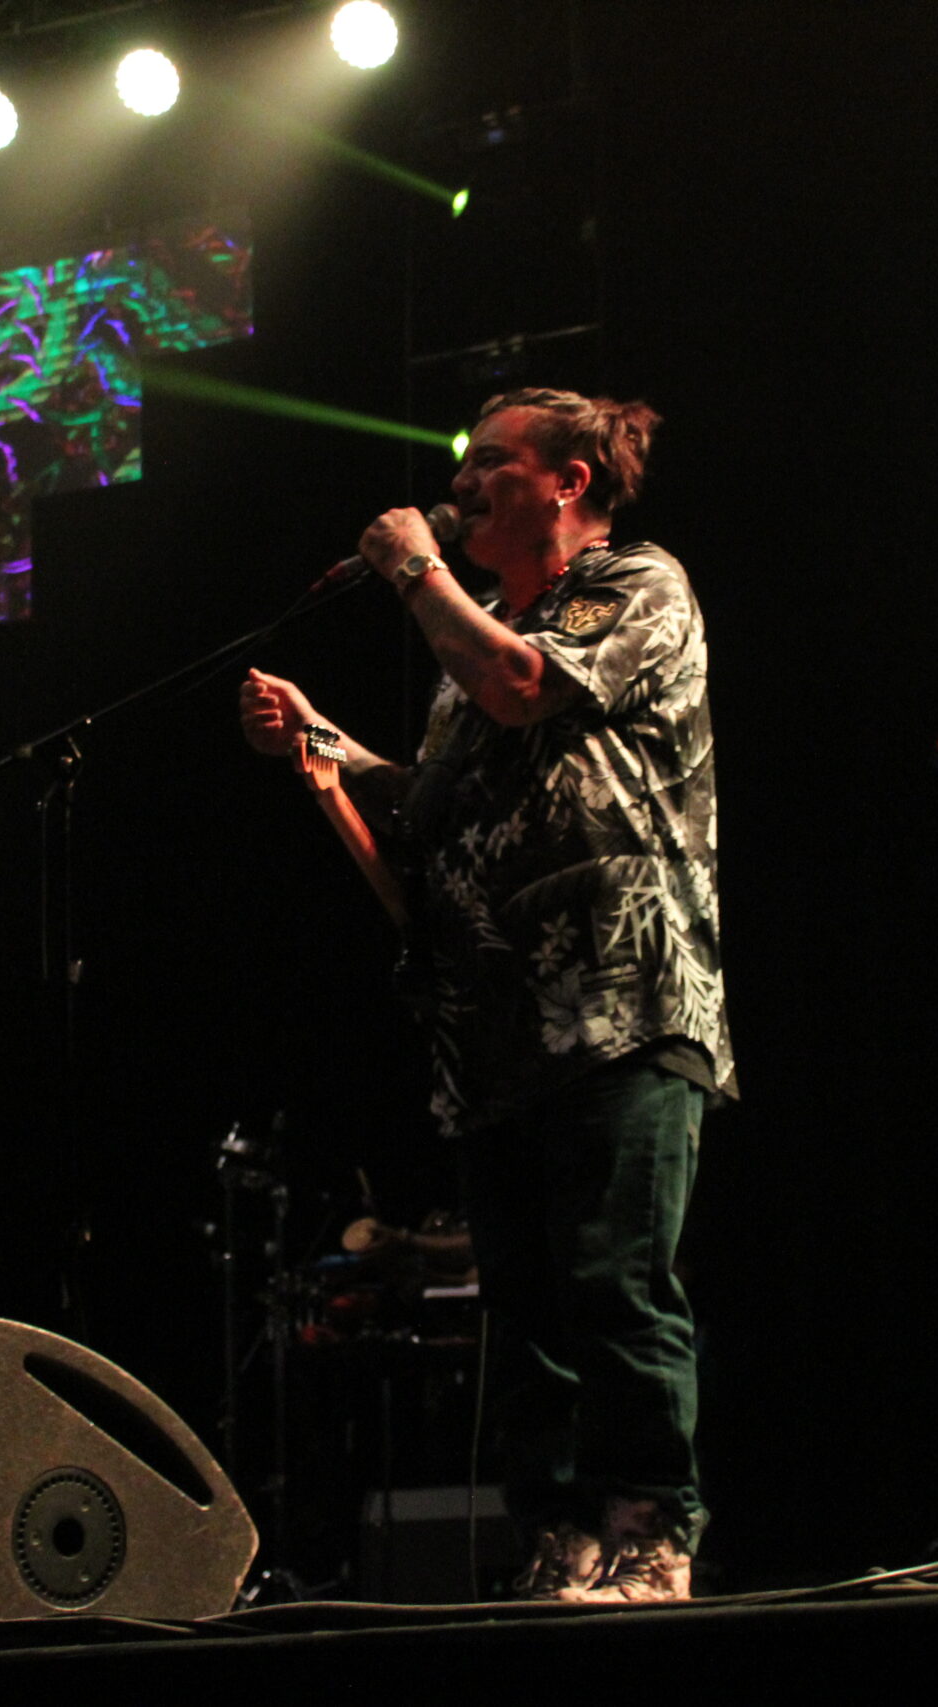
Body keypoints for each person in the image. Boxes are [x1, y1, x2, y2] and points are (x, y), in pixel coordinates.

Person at [237, 388, 733, 1603]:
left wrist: (414, 570)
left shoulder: (635, 584)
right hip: (498, 1034)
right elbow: (429, 812)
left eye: (490, 464)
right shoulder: (473, 649)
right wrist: (321, 745)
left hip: (619, 1002)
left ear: (566, 481)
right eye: (461, 468)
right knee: (525, 1317)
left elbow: (525, 686)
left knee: (615, 1285)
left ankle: (650, 1533)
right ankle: (560, 1540)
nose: (460, 485)